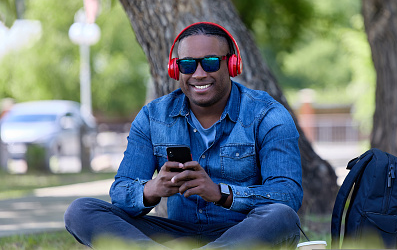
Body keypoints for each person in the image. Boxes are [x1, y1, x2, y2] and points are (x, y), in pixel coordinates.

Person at [64, 22, 303, 249]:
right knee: (81, 211)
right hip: (176, 235)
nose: (198, 74)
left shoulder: (268, 115)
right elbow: (121, 192)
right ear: (175, 69)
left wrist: (221, 193)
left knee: (282, 216)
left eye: (210, 63)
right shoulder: (153, 117)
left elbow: (287, 194)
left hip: (244, 232)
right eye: (188, 64)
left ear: (232, 65)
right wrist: (152, 189)